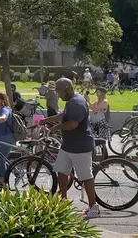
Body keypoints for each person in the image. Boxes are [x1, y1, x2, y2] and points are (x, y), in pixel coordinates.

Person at [38, 78, 99, 218]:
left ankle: (93, 207)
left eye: (60, 92)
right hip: (68, 145)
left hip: (81, 146)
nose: (58, 95)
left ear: (68, 89)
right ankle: (63, 201)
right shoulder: (70, 102)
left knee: (86, 177)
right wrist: (45, 120)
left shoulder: (77, 103)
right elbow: (64, 116)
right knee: (61, 171)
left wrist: (55, 128)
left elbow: (72, 124)